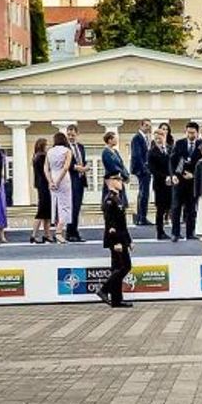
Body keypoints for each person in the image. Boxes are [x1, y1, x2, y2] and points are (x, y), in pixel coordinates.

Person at [97, 169, 134, 308]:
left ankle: (116, 300)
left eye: (120, 180)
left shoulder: (118, 198)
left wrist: (129, 241)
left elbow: (122, 224)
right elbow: (111, 224)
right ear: (109, 182)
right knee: (125, 266)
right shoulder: (109, 200)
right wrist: (116, 242)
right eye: (117, 179)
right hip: (116, 239)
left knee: (117, 268)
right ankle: (104, 289)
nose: (120, 182)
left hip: (122, 238)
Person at [171, 122, 202, 241]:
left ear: (197, 133)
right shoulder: (179, 144)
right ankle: (175, 233)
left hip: (192, 182)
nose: (190, 135)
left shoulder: (201, 145)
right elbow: (172, 161)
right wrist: (173, 175)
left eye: (193, 133)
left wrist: (193, 175)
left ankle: (190, 233)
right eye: (188, 132)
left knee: (191, 209)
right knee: (176, 207)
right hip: (179, 181)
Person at [46, 132, 75, 243]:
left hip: (53, 175)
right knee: (65, 205)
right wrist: (58, 181)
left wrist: (50, 181)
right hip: (63, 178)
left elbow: (46, 168)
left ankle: (57, 229)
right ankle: (59, 231)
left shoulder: (50, 151)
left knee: (55, 204)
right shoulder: (67, 151)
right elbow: (66, 167)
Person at [147, 127, 174, 241]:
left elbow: (177, 162)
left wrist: (174, 176)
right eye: (157, 138)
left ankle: (175, 231)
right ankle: (160, 232)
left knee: (173, 207)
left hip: (172, 183)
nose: (159, 140)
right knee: (161, 209)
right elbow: (152, 169)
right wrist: (165, 177)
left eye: (161, 137)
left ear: (165, 137)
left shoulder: (170, 149)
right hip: (160, 184)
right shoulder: (152, 152)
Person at [65, 125, 88, 242]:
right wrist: (76, 167)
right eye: (69, 135)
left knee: (77, 207)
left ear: (77, 134)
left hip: (80, 179)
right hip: (70, 179)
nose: (71, 137)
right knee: (72, 207)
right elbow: (64, 163)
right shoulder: (65, 148)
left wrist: (85, 166)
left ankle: (75, 231)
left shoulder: (81, 147)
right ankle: (70, 232)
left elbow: (83, 160)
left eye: (73, 135)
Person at [31, 136, 55, 244]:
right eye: (46, 145)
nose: (48, 147)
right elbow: (47, 171)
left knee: (46, 211)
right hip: (45, 185)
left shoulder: (36, 157)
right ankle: (34, 234)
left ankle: (47, 234)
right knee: (42, 211)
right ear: (43, 146)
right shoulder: (43, 157)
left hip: (40, 185)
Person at [130, 119, 153, 226]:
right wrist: (144, 169)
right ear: (141, 126)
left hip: (146, 169)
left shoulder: (146, 138)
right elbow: (137, 155)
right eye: (146, 125)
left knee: (144, 193)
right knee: (143, 193)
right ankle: (141, 217)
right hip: (141, 170)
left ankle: (142, 216)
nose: (148, 128)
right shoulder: (137, 138)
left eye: (149, 126)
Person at [101, 131, 129, 211]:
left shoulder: (115, 151)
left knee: (121, 201)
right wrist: (122, 174)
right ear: (109, 140)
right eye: (115, 138)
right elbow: (112, 166)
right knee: (112, 200)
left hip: (119, 179)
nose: (116, 140)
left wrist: (126, 175)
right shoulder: (106, 152)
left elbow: (121, 164)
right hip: (111, 180)